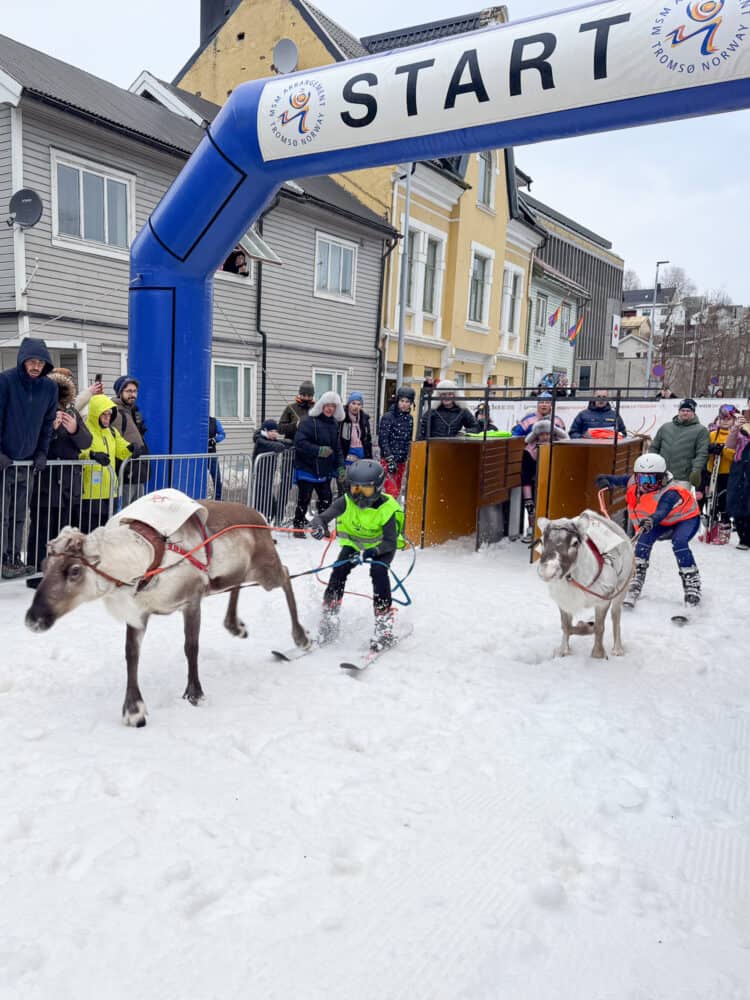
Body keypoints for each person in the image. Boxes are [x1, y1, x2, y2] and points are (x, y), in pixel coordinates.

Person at [309, 459, 404, 651]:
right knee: (338, 571)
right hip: (354, 543)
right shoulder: (346, 501)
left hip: (381, 547)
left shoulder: (388, 508)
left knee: (378, 572)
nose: (359, 496)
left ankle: (384, 629)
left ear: (377, 488)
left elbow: (389, 542)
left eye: (366, 490)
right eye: (355, 489)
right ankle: (329, 621)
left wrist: (373, 552)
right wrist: (317, 525)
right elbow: (323, 517)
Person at [596, 453, 702, 607]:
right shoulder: (634, 482)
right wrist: (605, 479)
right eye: (642, 479)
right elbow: (619, 480)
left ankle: (691, 582)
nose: (645, 484)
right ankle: (636, 578)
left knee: (679, 542)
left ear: (661, 478)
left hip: (685, 518)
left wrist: (651, 520)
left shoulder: (670, 492)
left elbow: (662, 510)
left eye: (651, 480)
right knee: (643, 541)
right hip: (659, 521)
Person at [0, 338, 57, 578]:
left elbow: (47, 425)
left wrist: (42, 452)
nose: (36, 366)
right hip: (4, 463)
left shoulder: (49, 388)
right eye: (32, 361)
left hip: (27, 464)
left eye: (40, 362)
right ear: (23, 360)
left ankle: (13, 558)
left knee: (19, 515)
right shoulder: (6, 381)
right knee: (2, 514)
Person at [27, 369, 92, 576]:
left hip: (69, 485)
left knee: (65, 531)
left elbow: (86, 442)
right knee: (42, 529)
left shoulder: (71, 412)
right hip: (46, 484)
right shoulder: (37, 412)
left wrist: (74, 430)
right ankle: (38, 569)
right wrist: (52, 430)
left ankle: (61, 569)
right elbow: (32, 444)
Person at [511, 392, 567, 541]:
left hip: (552, 460)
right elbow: (515, 435)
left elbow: (564, 438)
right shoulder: (528, 419)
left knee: (550, 496)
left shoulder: (558, 420)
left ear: (552, 404)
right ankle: (531, 528)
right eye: (541, 401)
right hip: (532, 461)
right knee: (531, 498)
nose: (544, 404)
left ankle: (551, 530)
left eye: (547, 402)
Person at [292, 391, 346, 538]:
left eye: (333, 406)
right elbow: (300, 443)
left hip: (324, 469)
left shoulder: (334, 424)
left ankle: (321, 525)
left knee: (326, 499)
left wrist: (341, 467)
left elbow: (337, 448)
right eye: (327, 405)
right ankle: (298, 526)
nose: (330, 409)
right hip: (307, 467)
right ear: (321, 405)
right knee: (304, 498)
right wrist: (318, 450)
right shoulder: (308, 421)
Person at [79, 394, 134, 532]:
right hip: (90, 493)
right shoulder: (85, 430)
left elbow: (122, 449)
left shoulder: (112, 432)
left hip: (111, 492)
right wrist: (92, 455)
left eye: (110, 414)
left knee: (107, 532)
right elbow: (79, 453)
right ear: (96, 413)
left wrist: (132, 449)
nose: (107, 418)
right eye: (104, 414)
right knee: (90, 532)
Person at [649, 398, 709, 487]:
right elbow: (654, 447)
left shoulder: (701, 430)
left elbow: (702, 453)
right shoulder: (666, 427)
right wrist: (652, 464)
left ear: (693, 412)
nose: (685, 413)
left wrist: (696, 470)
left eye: (688, 410)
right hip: (662, 476)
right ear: (679, 411)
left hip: (683, 479)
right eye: (682, 410)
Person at [702, 404, 739, 541]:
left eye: (728, 419)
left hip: (728, 473)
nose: (724, 421)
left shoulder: (737, 435)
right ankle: (711, 530)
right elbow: (703, 451)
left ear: (734, 420)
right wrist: (709, 449)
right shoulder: (712, 434)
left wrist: (724, 450)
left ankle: (725, 531)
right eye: (722, 418)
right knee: (711, 500)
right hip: (712, 472)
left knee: (724, 502)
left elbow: (737, 455)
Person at [111, 376, 149, 505]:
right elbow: (115, 439)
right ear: (120, 392)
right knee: (125, 509)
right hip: (126, 469)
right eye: (128, 391)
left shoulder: (133, 411)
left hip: (138, 468)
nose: (132, 394)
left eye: (134, 391)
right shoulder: (115, 412)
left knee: (137, 509)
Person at [251, 418, 292, 521]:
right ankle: (262, 518)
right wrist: (283, 445)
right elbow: (277, 446)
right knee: (261, 498)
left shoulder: (270, 440)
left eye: (276, 431)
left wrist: (289, 443)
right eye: (271, 431)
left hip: (269, 475)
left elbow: (283, 443)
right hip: (260, 475)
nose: (275, 434)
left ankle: (268, 517)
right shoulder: (261, 441)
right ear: (265, 431)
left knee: (268, 497)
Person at [378, 385, 415, 499]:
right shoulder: (389, 416)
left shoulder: (409, 419)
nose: (404, 404)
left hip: (401, 460)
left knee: (397, 492)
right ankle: (389, 516)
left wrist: (407, 456)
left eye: (407, 401)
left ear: (411, 403)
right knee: (391, 492)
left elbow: (408, 439)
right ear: (398, 401)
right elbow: (383, 439)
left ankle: (392, 514)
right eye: (401, 401)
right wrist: (389, 459)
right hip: (389, 459)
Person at [726, 420, 750, 550]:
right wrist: (736, 428)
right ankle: (744, 538)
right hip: (740, 467)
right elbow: (729, 445)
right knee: (737, 501)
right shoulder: (742, 425)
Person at [340, 391, 373, 471]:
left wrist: (369, 459)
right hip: (347, 458)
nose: (356, 406)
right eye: (353, 403)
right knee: (346, 482)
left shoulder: (364, 419)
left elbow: (367, 440)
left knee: (359, 482)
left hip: (362, 459)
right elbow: (339, 441)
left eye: (359, 404)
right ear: (349, 404)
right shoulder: (342, 418)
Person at [208, 415, 226, 500]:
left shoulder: (214, 421)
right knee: (199, 478)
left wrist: (215, 439)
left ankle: (218, 498)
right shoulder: (195, 420)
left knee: (216, 478)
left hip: (211, 454)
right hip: (198, 455)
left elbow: (222, 434)